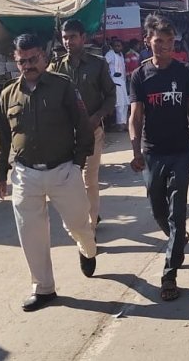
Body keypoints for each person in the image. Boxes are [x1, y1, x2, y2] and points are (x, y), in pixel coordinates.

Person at [0, 34, 97, 312]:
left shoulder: (63, 86)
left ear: (44, 55)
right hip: (25, 174)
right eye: (22, 61)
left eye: (33, 59)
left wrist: (77, 164)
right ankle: (43, 288)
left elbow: (83, 126)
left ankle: (87, 249)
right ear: (16, 61)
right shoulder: (8, 94)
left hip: (63, 169)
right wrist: (0, 174)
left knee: (78, 225)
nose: (28, 65)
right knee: (31, 234)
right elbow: (3, 138)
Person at [129, 15, 189, 302]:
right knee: (157, 209)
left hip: (180, 152)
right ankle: (177, 236)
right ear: (148, 41)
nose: (164, 46)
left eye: (169, 41)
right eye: (158, 41)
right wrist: (135, 151)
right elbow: (135, 116)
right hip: (152, 152)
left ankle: (169, 274)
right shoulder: (140, 75)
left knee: (177, 212)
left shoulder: (186, 72)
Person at [49, 19, 116, 230]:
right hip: (65, 135)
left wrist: (98, 116)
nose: (68, 42)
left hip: (92, 131)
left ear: (83, 38)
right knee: (70, 180)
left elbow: (111, 95)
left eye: (73, 37)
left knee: (90, 180)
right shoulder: (55, 67)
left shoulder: (98, 64)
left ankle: (90, 228)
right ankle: (87, 213)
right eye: (65, 37)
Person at [104, 38, 129, 131]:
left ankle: (124, 123)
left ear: (122, 47)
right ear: (112, 46)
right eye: (115, 46)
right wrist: (110, 74)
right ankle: (119, 125)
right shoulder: (110, 54)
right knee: (119, 103)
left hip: (122, 81)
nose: (117, 47)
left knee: (125, 103)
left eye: (119, 46)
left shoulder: (121, 55)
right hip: (114, 80)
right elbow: (104, 64)